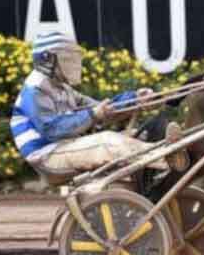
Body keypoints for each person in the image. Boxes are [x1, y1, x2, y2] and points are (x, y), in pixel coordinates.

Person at [10, 32, 169, 179]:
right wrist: (93, 114)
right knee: (107, 142)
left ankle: (158, 166)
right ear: (47, 60)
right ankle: (166, 157)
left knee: (136, 135)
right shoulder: (35, 88)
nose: (73, 64)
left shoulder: (61, 87)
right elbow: (51, 129)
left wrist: (135, 99)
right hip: (47, 155)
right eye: (67, 59)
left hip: (62, 147)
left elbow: (101, 108)